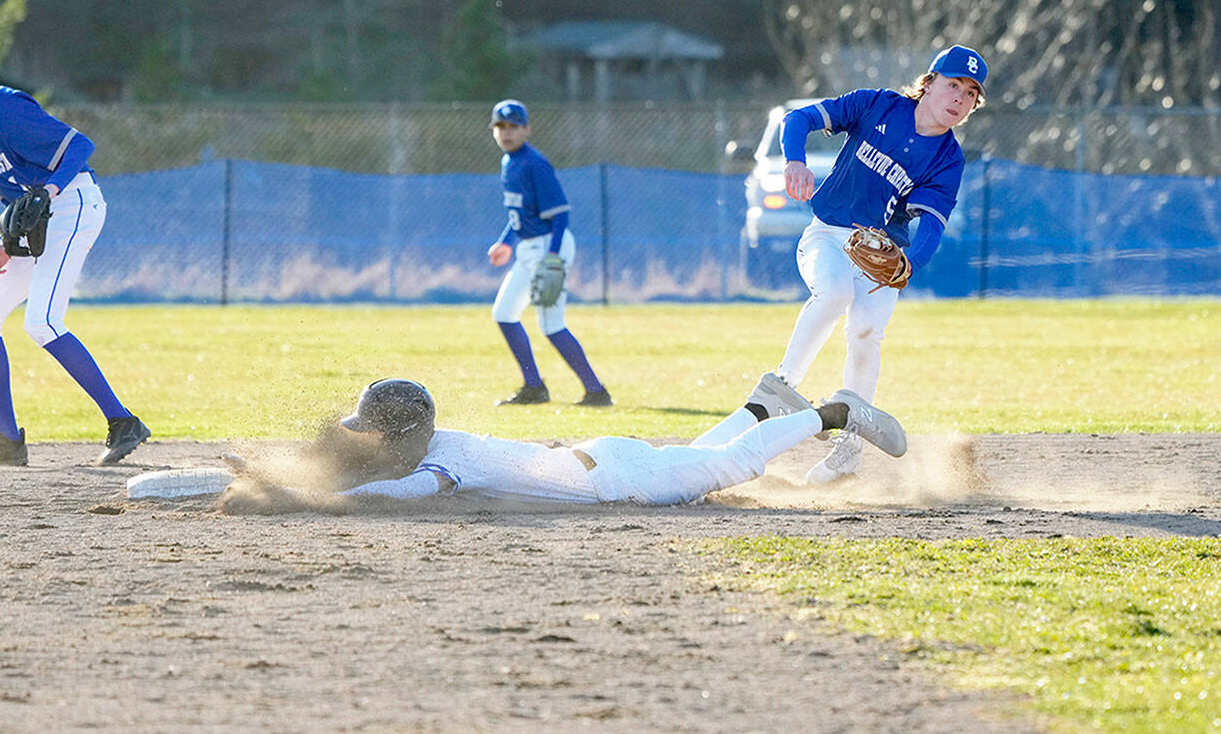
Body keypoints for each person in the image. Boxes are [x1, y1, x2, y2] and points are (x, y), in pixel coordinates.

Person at [217, 374, 907, 514]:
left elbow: (406, 490)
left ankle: (833, 412)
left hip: (615, 480)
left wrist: (311, 501)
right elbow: (362, 455)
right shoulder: (434, 439)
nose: (361, 434)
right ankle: (761, 402)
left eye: (370, 425)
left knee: (733, 465)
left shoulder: (439, 462)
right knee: (695, 459)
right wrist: (285, 472)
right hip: (602, 456)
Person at [0, 28, 150, 467]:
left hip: (73, 203)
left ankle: (123, 422)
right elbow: (18, 205)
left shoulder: (8, 107)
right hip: (45, 219)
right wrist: (7, 248)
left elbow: (81, 147)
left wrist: (50, 190)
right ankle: (8, 441)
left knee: (43, 321)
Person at [770, 44, 987, 485]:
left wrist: (911, 262)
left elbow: (930, 225)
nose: (958, 99)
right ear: (928, 84)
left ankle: (846, 454)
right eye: (952, 85)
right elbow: (799, 119)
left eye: (970, 94)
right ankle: (782, 388)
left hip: (883, 254)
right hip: (828, 235)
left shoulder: (948, 158)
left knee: (867, 335)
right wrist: (795, 160)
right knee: (834, 293)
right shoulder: (877, 104)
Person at [485, 99, 611, 407]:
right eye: (500, 126)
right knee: (504, 314)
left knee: (551, 325)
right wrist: (506, 242)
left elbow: (560, 215)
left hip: (548, 245)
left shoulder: (534, 163)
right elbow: (520, 213)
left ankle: (596, 392)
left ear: (527, 129)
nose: (507, 132)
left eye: (514, 126)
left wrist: (553, 257)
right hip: (529, 248)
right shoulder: (509, 162)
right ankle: (534, 387)